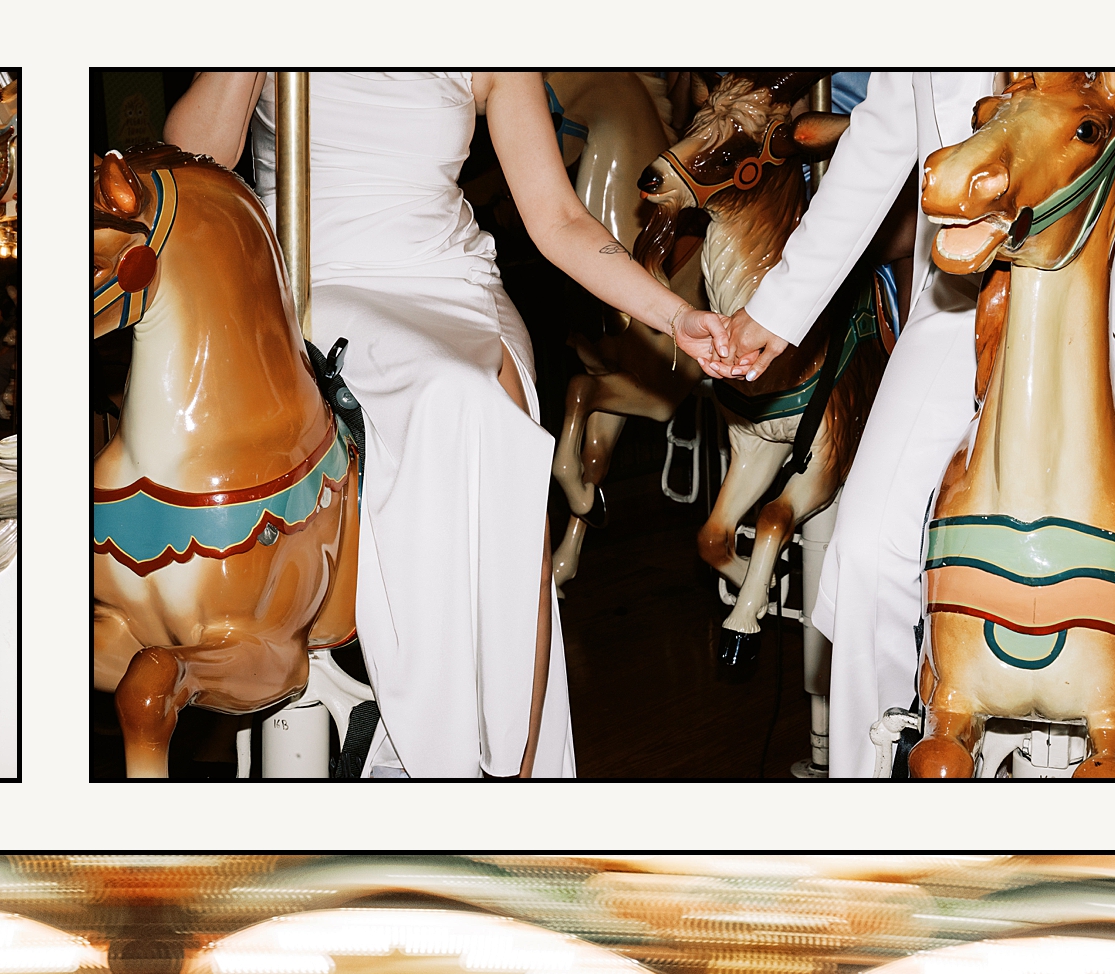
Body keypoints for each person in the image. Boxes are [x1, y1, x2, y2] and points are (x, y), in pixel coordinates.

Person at [162, 72, 737, 777]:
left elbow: (556, 217)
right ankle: (437, 760)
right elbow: (193, 166)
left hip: (451, 277)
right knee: (451, 394)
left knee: (493, 414)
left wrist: (676, 316)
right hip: (320, 278)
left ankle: (514, 765)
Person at [722, 73, 1115, 777]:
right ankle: (868, 818)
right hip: (966, 299)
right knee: (867, 554)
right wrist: (778, 307)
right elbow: (883, 136)